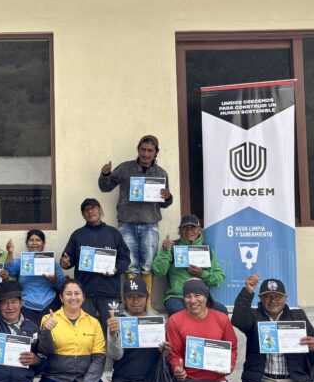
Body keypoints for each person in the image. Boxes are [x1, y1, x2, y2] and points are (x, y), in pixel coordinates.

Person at [98, 135, 173, 305]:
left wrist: (168, 197)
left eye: (150, 151)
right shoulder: (125, 168)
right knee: (130, 266)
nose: (146, 154)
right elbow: (105, 187)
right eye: (143, 150)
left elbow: (164, 204)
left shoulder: (161, 173)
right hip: (126, 224)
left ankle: (146, 306)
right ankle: (132, 304)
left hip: (150, 224)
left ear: (156, 153)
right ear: (138, 150)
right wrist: (105, 173)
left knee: (147, 266)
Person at [59, 198, 130, 330]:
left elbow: (125, 258)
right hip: (84, 293)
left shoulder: (113, 233)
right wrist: (64, 262)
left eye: (93, 208)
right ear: (83, 215)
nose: (90, 211)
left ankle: (111, 352)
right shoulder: (77, 235)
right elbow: (67, 261)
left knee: (112, 331)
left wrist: (115, 269)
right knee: (85, 331)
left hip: (109, 292)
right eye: (86, 210)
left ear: (100, 211)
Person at [152, 214, 228, 316]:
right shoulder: (173, 246)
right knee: (181, 314)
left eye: (193, 227)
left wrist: (202, 274)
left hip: (200, 298)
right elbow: (158, 271)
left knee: (222, 312)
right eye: (185, 228)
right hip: (178, 297)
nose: (189, 231)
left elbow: (220, 277)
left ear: (199, 230)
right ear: (179, 231)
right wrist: (165, 251)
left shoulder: (206, 249)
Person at [4, 230, 65, 325]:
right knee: (31, 335)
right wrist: (10, 252)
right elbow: (10, 270)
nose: (34, 243)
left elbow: (62, 284)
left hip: (49, 304)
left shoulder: (51, 262)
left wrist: (54, 279)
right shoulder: (22, 261)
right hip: (26, 306)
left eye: (38, 240)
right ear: (27, 243)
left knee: (49, 334)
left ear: (43, 243)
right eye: (31, 240)